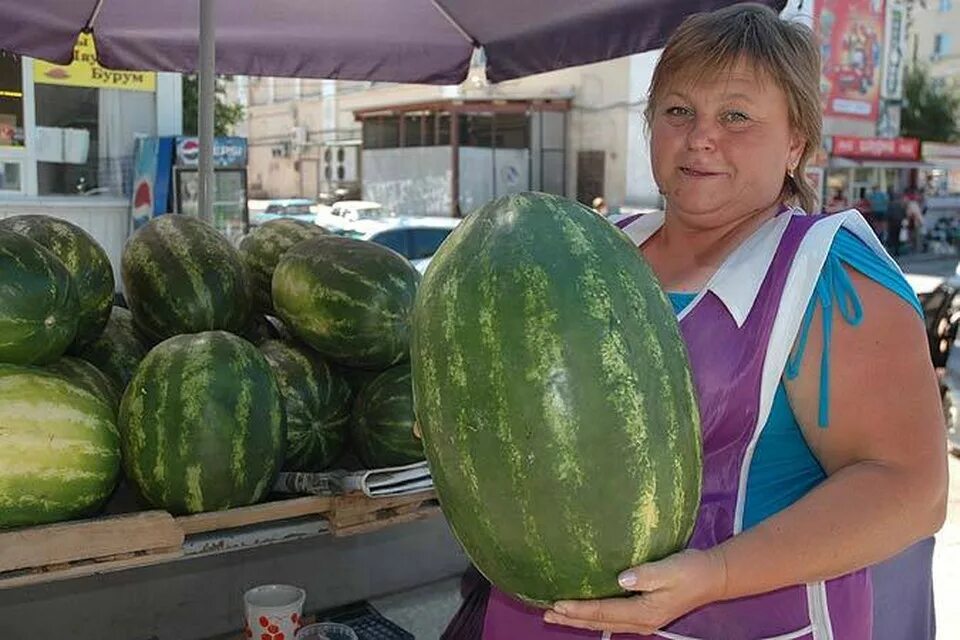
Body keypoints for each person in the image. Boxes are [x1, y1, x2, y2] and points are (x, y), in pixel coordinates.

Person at [480, 5, 946, 639]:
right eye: (678, 111)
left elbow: (911, 490)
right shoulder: (592, 251)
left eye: (736, 116)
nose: (700, 137)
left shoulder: (831, 275)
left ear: (795, 143)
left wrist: (716, 574)